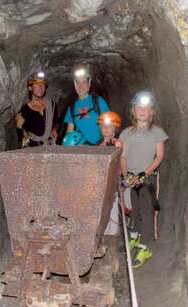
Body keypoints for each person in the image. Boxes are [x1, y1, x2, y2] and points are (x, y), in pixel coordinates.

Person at [119, 91, 168, 268]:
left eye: (146, 108)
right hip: (132, 179)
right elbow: (122, 157)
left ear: (152, 112)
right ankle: (137, 237)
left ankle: (145, 247)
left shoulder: (157, 132)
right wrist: (127, 175)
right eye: (139, 107)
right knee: (135, 211)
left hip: (146, 181)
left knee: (147, 212)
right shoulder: (126, 133)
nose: (142, 110)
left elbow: (159, 156)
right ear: (133, 110)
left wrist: (144, 174)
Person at [63, 64, 109, 145]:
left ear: (89, 83)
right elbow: (69, 132)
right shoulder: (72, 106)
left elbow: (109, 125)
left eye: (84, 82)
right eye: (77, 82)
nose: (80, 86)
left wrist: (106, 141)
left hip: (99, 147)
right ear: (74, 84)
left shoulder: (98, 101)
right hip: (80, 149)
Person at [16, 71, 59, 147]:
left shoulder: (52, 104)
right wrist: (19, 126)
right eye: (36, 84)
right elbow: (21, 137)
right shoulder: (24, 111)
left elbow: (56, 122)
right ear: (30, 88)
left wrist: (54, 129)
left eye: (43, 84)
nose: (40, 87)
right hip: (34, 148)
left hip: (50, 146)